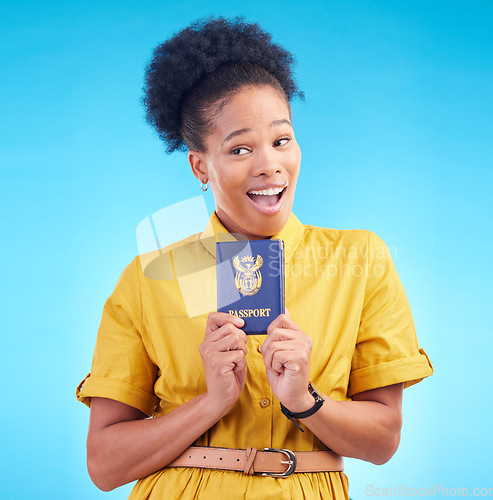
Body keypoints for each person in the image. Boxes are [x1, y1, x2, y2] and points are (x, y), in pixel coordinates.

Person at [76, 17, 433, 500]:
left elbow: (383, 440)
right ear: (200, 166)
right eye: (240, 148)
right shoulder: (147, 277)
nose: (269, 164)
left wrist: (305, 401)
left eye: (281, 139)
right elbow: (104, 465)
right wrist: (211, 402)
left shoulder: (361, 258)